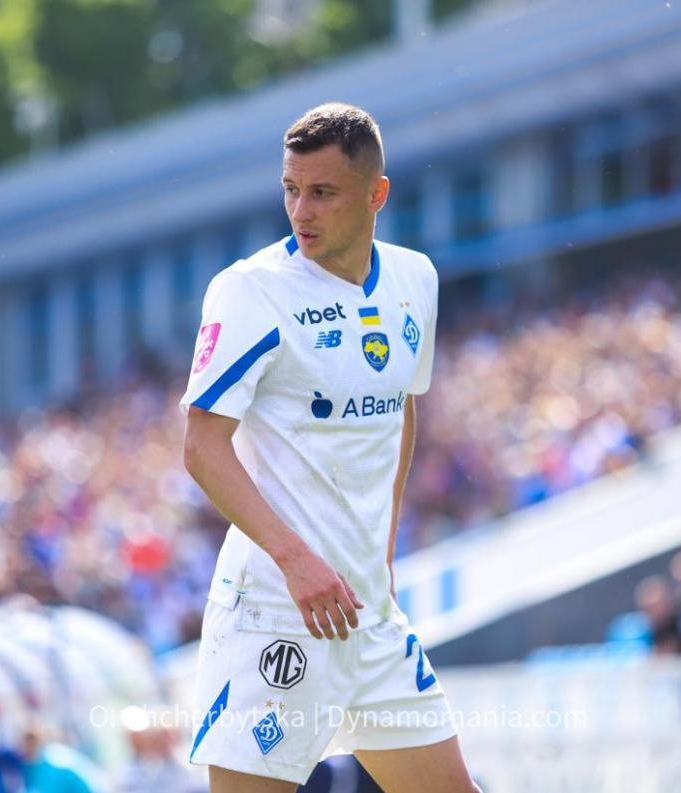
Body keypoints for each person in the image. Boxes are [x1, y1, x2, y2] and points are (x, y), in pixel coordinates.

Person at [181, 103, 479, 792]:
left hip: (368, 613)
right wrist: (295, 559)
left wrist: (382, 548)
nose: (300, 210)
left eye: (322, 192)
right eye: (290, 189)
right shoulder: (251, 291)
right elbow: (201, 445)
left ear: (377, 194)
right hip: (274, 612)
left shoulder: (415, 279)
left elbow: (401, 408)